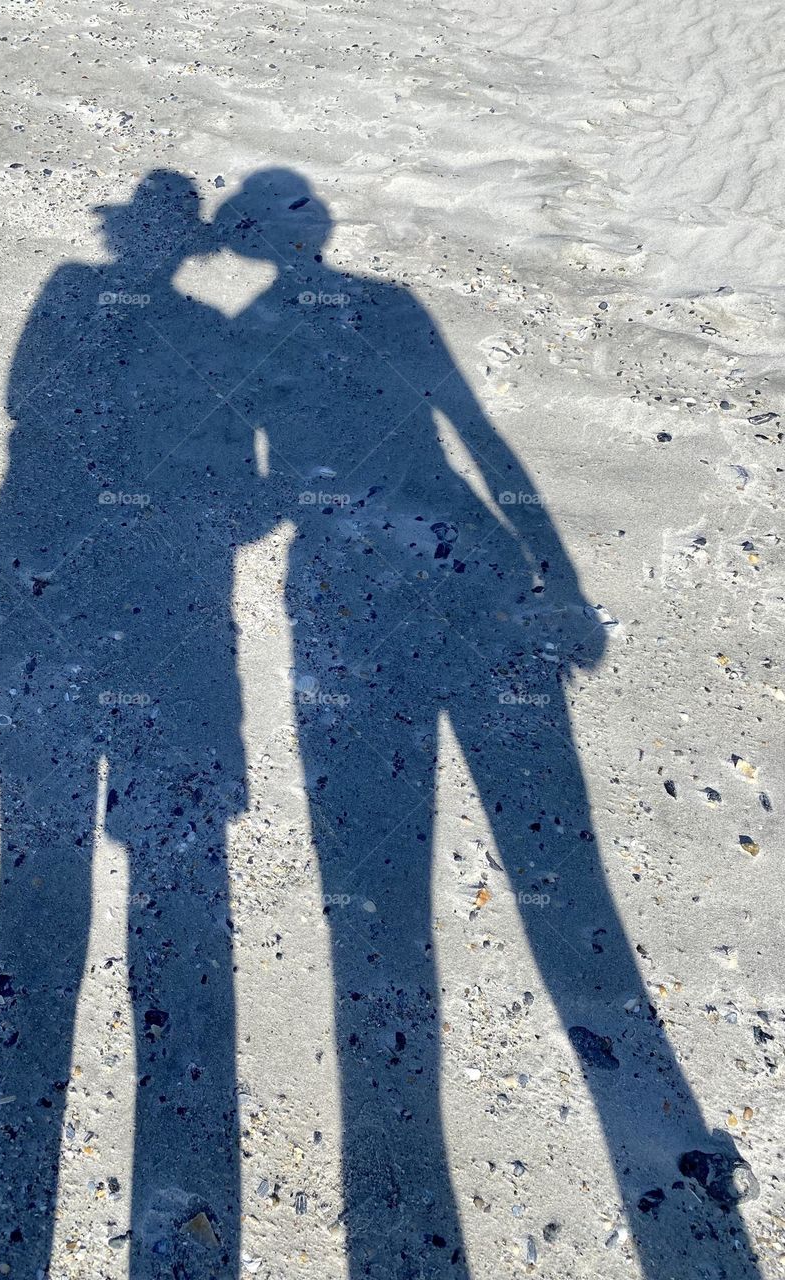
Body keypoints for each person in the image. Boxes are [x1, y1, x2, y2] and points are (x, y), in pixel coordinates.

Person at [213, 168, 759, 1280]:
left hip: (339, 589)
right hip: (469, 565)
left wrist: (268, 506)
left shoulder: (248, 329)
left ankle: (393, 1161)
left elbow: (255, 485)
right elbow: (478, 434)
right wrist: (549, 575)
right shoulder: (393, 306)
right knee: (548, 863)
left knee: (373, 880)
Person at [0, 170, 267, 1278]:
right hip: (162, 620)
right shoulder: (203, 331)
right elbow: (237, 485)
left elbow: (26, 402)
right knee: (155, 888)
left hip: (48, 601)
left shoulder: (77, 294)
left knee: (40, 876)